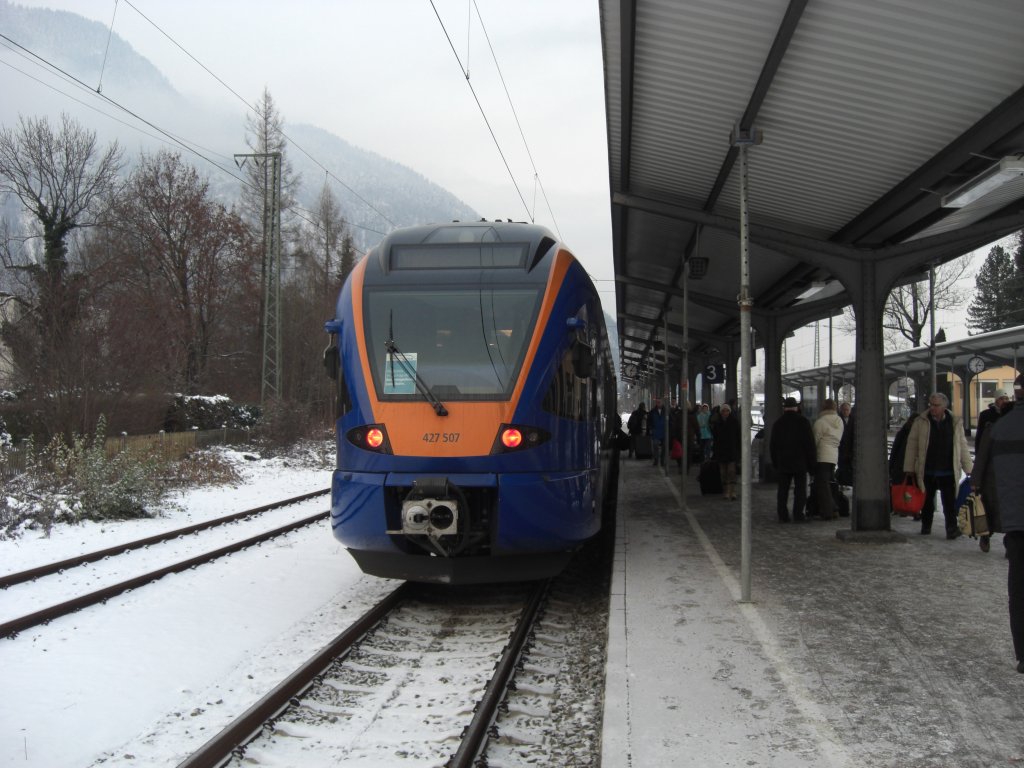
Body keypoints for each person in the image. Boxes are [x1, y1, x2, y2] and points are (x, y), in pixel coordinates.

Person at [971, 373, 1024, 671]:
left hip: (1014, 523)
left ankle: (1023, 655)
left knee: (1018, 590)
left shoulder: (997, 428)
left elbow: (978, 475)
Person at [903, 392, 973, 538]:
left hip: (948, 469)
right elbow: (912, 445)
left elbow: (962, 446)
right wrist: (909, 468)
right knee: (927, 501)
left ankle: (951, 529)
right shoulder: (921, 421)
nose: (933, 408)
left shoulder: (954, 421)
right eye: (931, 404)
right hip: (927, 469)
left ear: (944, 406)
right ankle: (926, 526)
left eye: (936, 405)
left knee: (949, 503)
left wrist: (969, 468)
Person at [769, 397, 817, 523]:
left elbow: (773, 445)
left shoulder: (778, 423)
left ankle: (783, 515)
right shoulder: (803, 422)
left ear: (784, 408)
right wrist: (812, 466)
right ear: (796, 407)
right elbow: (810, 445)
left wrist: (775, 463)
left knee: (783, 490)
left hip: (783, 462)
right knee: (800, 490)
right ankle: (798, 514)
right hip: (800, 463)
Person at [812, 399, 845, 519]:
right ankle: (831, 508)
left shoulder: (820, 422)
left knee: (822, 484)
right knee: (829, 483)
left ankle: (829, 511)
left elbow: (815, 440)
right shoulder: (839, 421)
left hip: (822, 456)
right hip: (833, 455)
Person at [712, 403, 741, 500]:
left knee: (731, 472)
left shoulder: (735, 422)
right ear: (721, 412)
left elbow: (738, 438)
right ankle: (726, 491)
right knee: (723, 473)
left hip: (732, 451)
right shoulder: (717, 424)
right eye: (723, 411)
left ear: (729, 411)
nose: (725, 413)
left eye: (727, 411)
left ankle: (732, 491)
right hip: (721, 452)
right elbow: (715, 439)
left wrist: (739, 452)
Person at [647, 398, 667, 467]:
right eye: (657, 402)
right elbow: (649, 421)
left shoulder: (666, 411)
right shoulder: (652, 412)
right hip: (655, 431)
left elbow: (670, 421)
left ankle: (662, 460)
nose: (658, 404)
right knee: (655, 446)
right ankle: (656, 459)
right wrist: (650, 429)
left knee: (664, 447)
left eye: (660, 402)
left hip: (664, 432)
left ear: (662, 403)